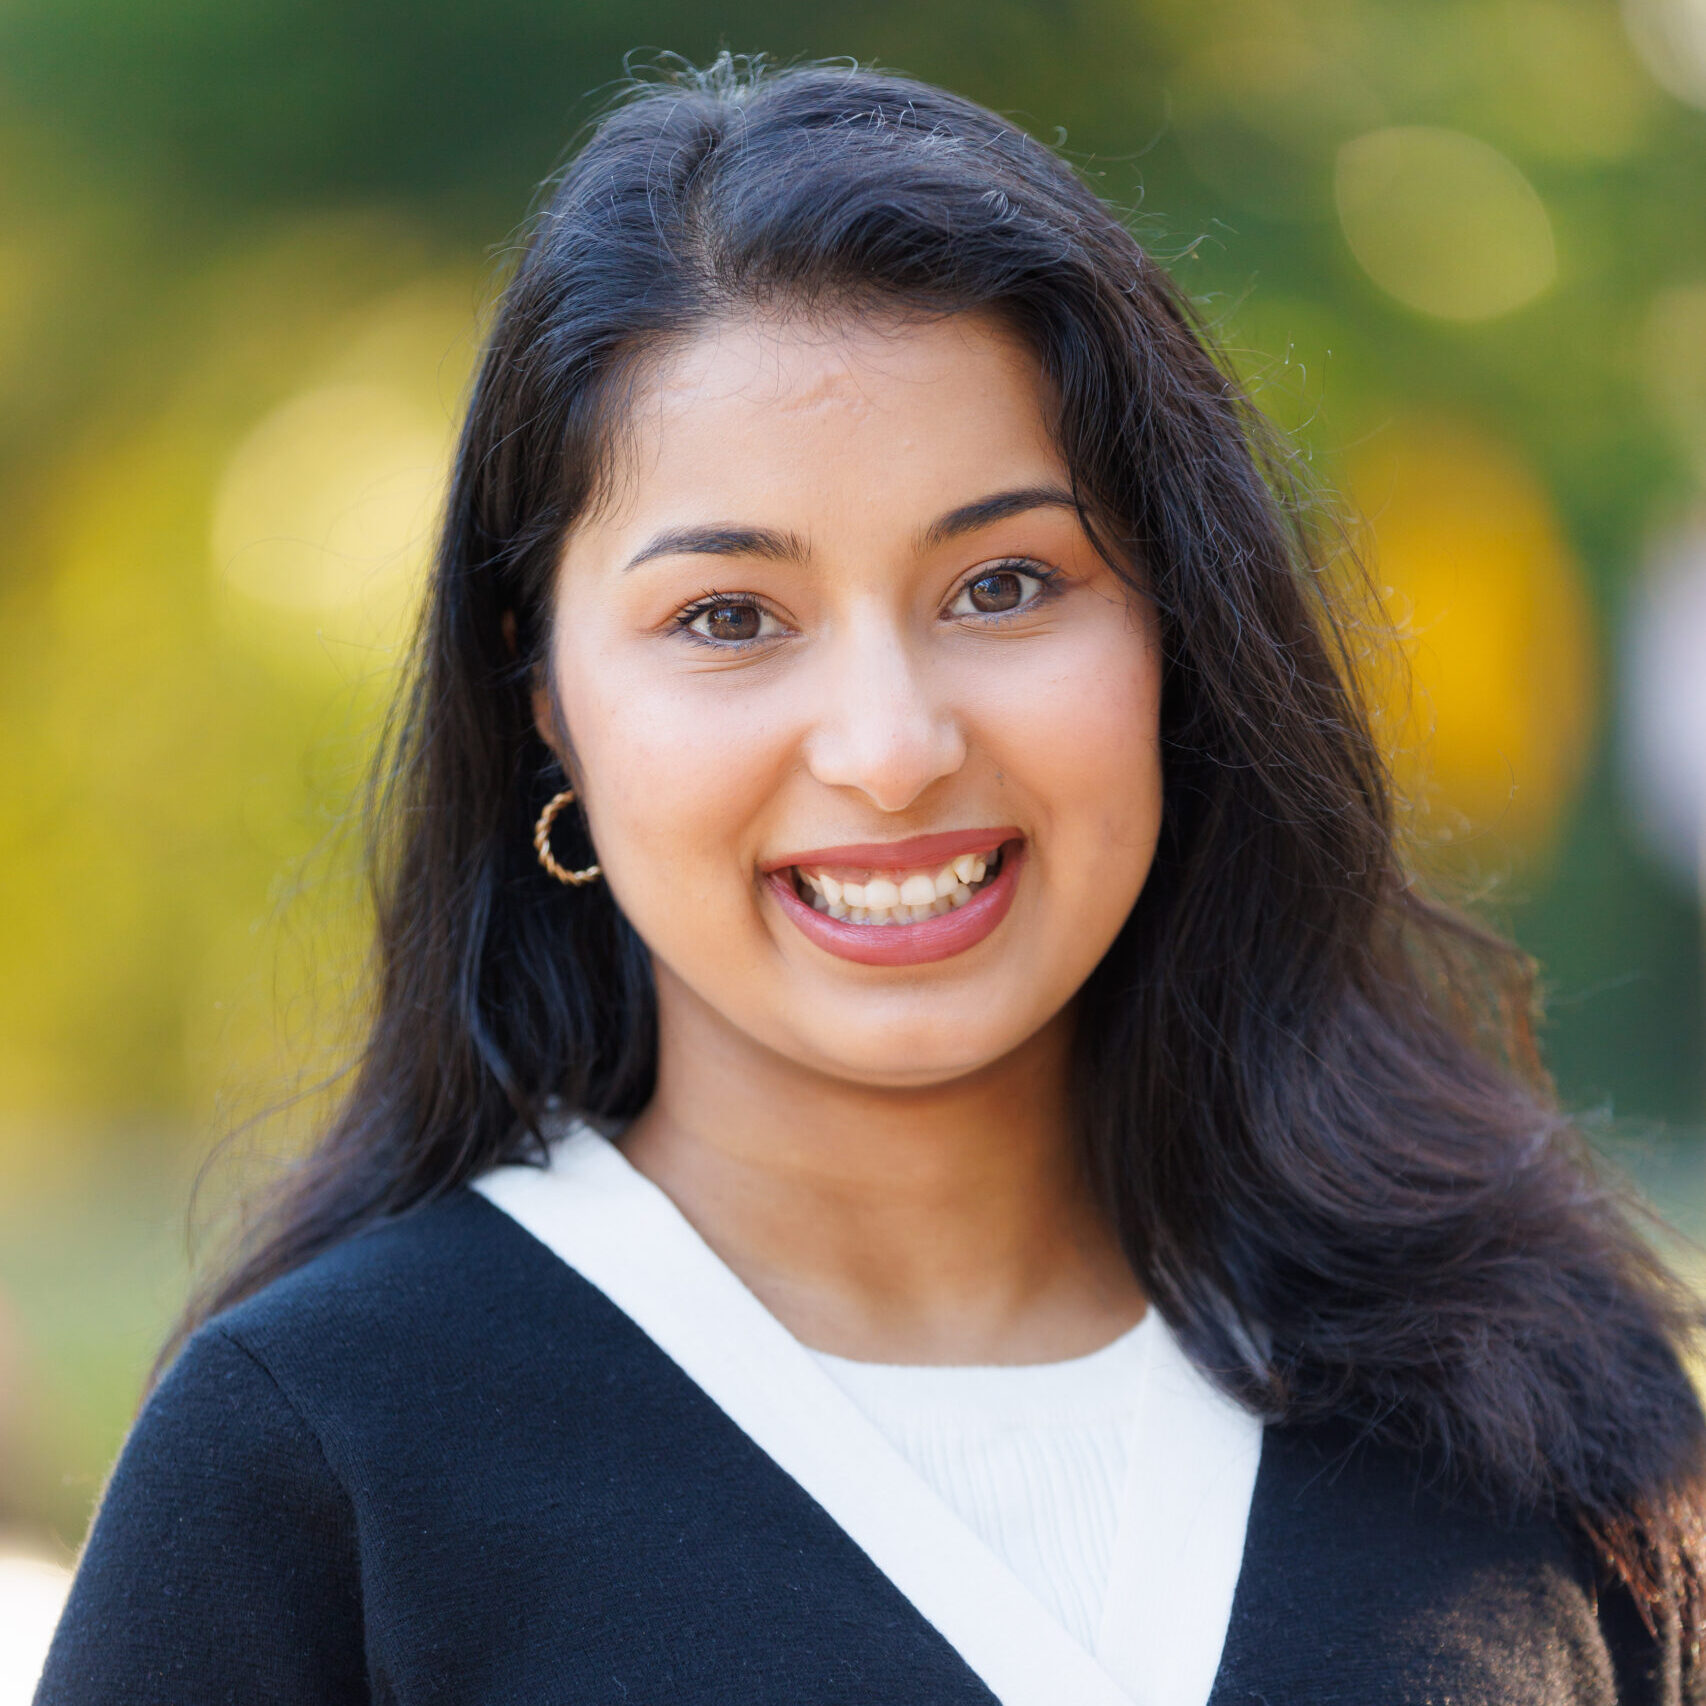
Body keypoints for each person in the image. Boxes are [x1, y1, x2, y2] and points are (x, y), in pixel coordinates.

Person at [35, 56, 1706, 1706]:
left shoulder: (1534, 1409)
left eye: (1000, 584)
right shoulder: (321, 1457)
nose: (889, 746)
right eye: (727, 618)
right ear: (545, 702)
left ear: (1172, 637)